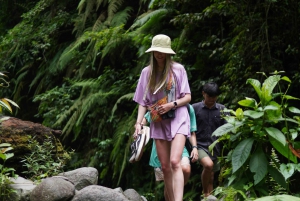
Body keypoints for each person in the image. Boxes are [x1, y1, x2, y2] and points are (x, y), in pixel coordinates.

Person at [133, 34, 192, 201]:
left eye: (162, 51)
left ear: (168, 53)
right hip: (158, 119)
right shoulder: (147, 73)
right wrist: (138, 123)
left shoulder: (178, 69)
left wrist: (171, 104)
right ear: (152, 52)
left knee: (175, 162)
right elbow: (142, 101)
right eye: (156, 51)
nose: (159, 54)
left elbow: (187, 97)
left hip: (178, 116)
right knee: (165, 166)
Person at [142, 104, 198, 201]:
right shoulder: (161, 104)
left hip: (179, 146)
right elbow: (146, 118)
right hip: (161, 148)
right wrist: (139, 127)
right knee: (168, 179)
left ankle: (177, 194)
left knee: (185, 169)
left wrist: (194, 147)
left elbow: (192, 131)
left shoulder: (188, 108)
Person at [192, 82, 227, 201]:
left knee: (211, 176)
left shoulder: (222, 109)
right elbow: (189, 129)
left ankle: (209, 198)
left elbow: (227, 127)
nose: (212, 99)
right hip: (199, 145)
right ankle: (206, 193)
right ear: (203, 94)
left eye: (214, 97)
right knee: (208, 165)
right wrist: (193, 147)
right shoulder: (195, 108)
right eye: (209, 96)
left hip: (215, 147)